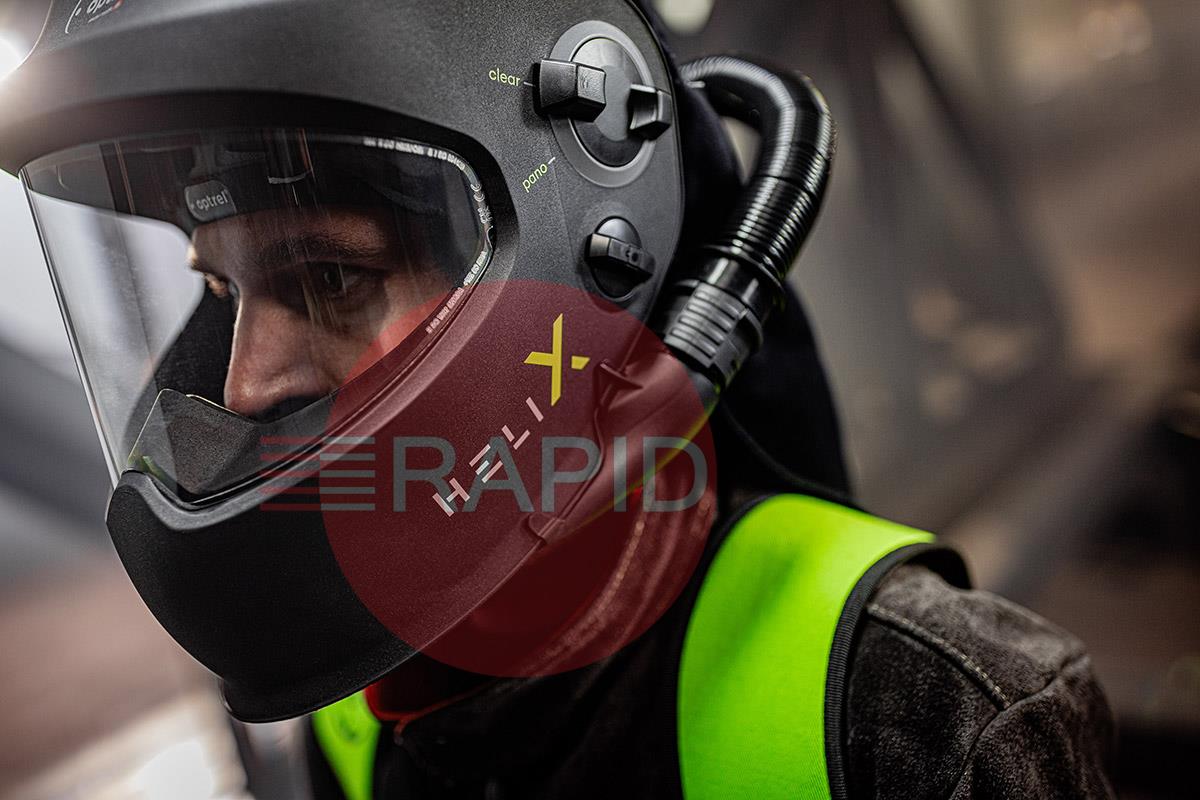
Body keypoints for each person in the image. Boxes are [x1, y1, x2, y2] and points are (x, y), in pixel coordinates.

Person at [0, 0, 1115, 797]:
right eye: (222, 290)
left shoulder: (929, 707)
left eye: (330, 278)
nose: (242, 383)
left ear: (580, 267)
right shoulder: (353, 689)